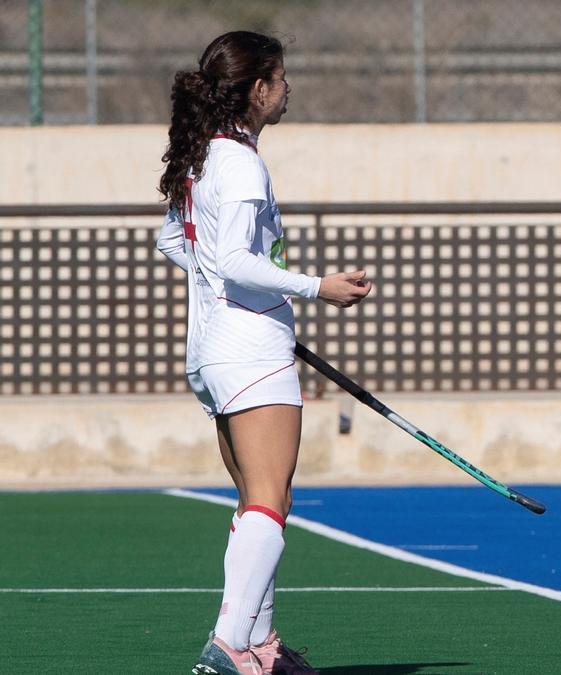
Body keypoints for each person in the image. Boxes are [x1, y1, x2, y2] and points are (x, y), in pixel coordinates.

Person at [156, 31, 372, 675]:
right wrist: (317, 288)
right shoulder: (242, 162)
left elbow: (177, 243)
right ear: (257, 89)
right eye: (281, 78)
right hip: (251, 351)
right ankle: (228, 647)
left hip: (213, 353)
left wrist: (225, 292)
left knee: (261, 500)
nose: (288, 89)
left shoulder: (202, 157)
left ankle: (258, 646)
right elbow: (235, 259)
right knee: (269, 499)